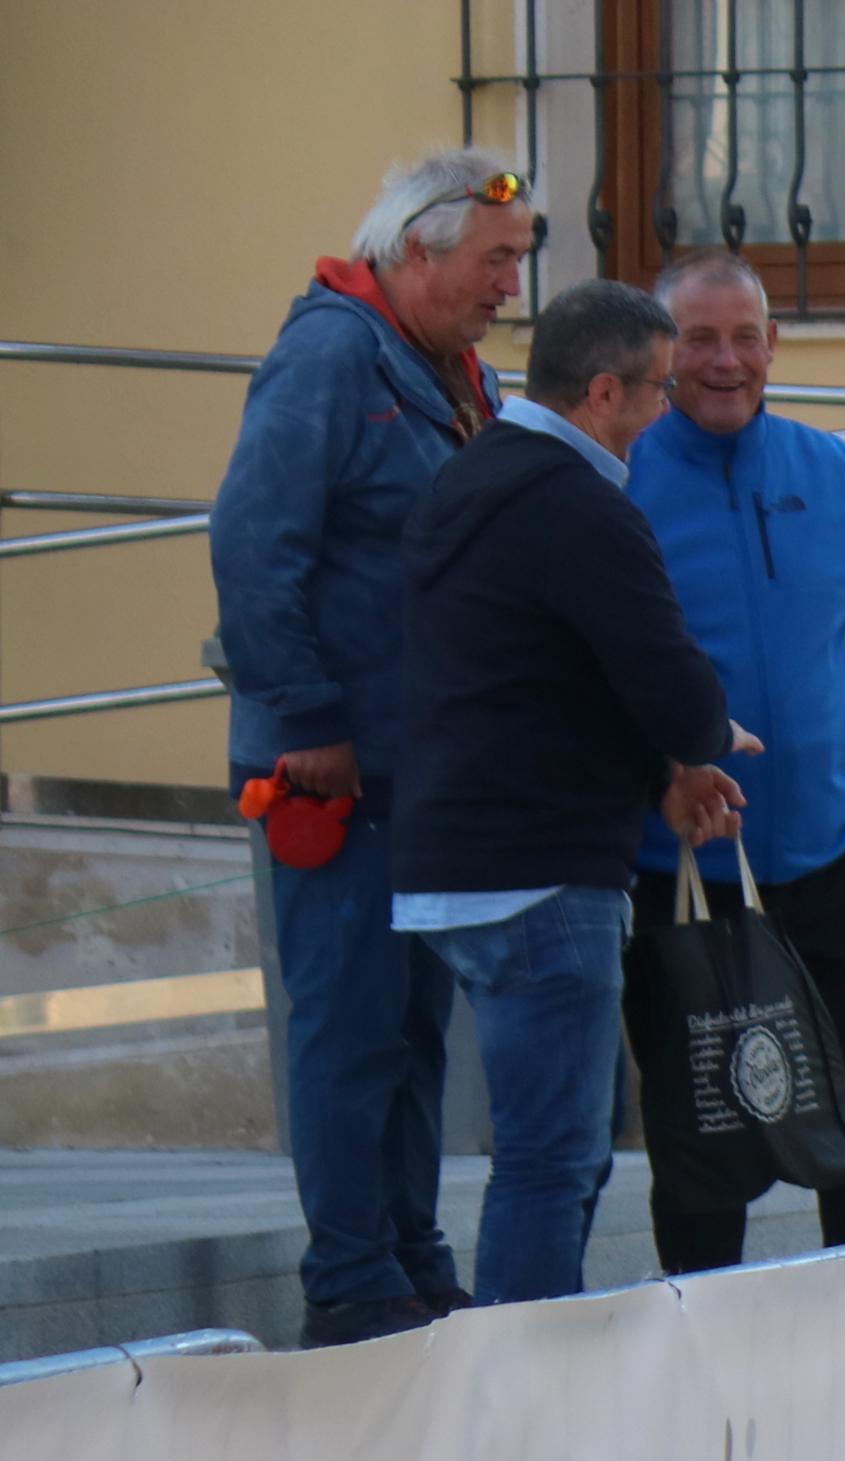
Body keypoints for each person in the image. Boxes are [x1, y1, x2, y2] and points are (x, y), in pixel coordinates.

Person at [208, 147, 529, 1347]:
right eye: (494, 260)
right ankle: (349, 1279)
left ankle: (409, 1253)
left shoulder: (452, 369)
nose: (510, 285)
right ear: (415, 253)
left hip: (427, 772)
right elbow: (254, 546)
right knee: (349, 1031)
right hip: (338, 773)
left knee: (412, 1033)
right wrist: (306, 722)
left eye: (517, 261)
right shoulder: (332, 356)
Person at [392, 278, 747, 1305]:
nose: (665, 410)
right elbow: (669, 682)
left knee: (548, 1153)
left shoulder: (469, 476)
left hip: (448, 863)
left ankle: (518, 1359)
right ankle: (526, 1378)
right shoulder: (579, 501)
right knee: (553, 1159)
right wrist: (705, 738)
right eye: (658, 389)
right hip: (540, 877)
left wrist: (658, 771)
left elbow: (542, 676)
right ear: (602, 392)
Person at [623, 251, 845, 1270]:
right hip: (675, 874)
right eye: (698, 339)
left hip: (828, 863)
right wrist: (648, 782)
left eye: (745, 337)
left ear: (773, 345)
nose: (725, 361)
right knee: (699, 1138)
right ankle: (706, 1341)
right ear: (662, 353)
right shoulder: (618, 477)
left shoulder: (830, 472)